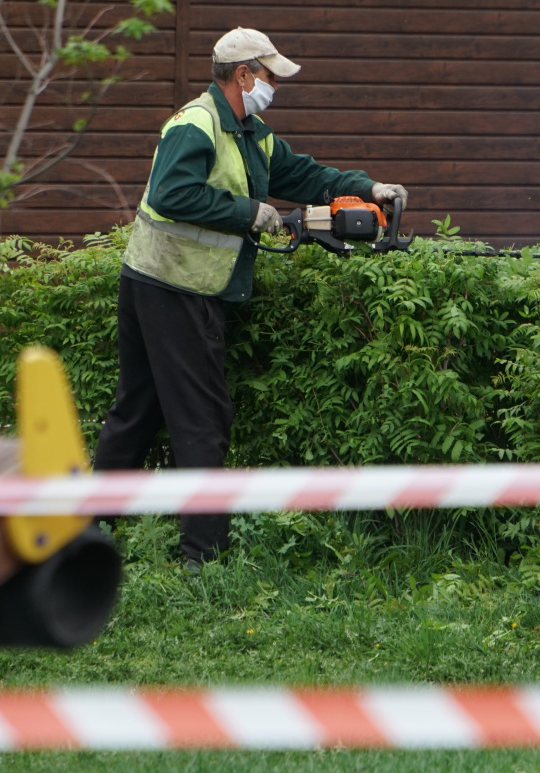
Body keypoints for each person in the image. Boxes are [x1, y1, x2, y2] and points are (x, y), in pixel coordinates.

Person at [93, 28, 409, 567]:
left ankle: (84, 531)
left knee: (138, 412)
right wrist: (248, 212)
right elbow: (172, 193)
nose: (274, 87)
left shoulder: (250, 132)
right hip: (177, 287)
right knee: (203, 421)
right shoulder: (197, 124)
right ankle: (203, 560)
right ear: (243, 75)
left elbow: (304, 173)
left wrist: (368, 186)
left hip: (159, 281)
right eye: (269, 76)